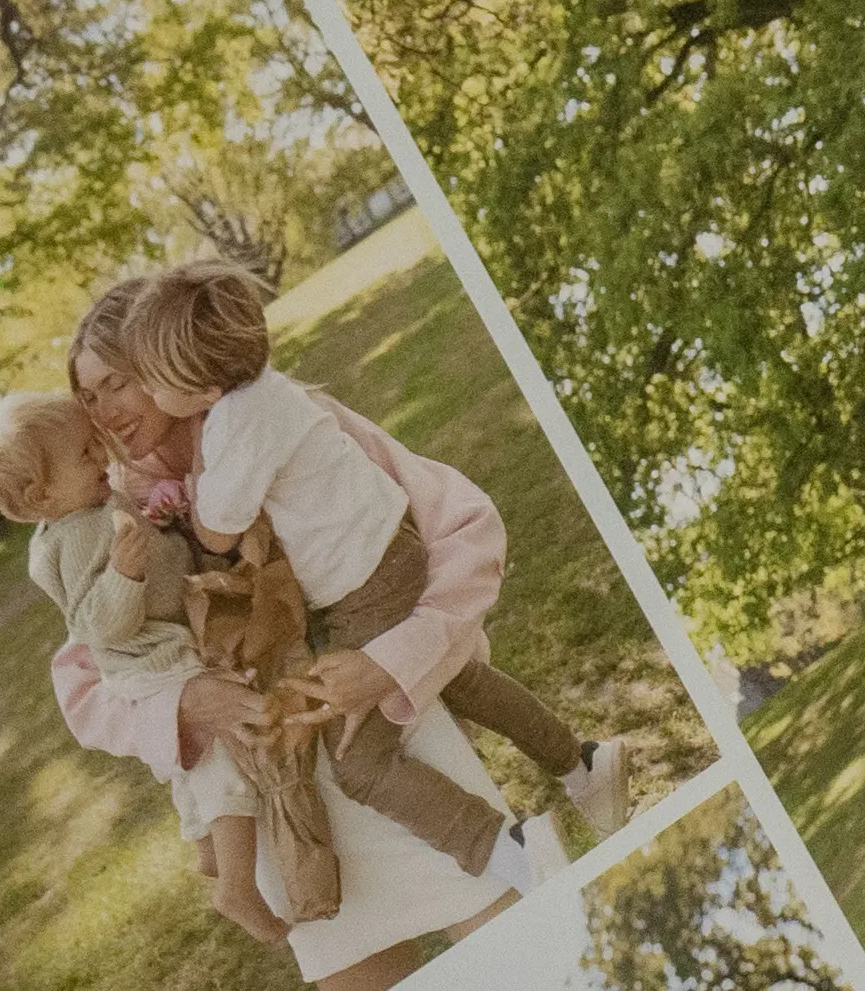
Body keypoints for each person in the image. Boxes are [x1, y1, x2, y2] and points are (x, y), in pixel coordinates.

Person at [56, 279, 546, 991]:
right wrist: (190, 701)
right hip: (284, 799)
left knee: (538, 970)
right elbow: (85, 685)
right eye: (87, 397)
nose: (104, 414)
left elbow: (467, 533)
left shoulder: (295, 420)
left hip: (395, 748)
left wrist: (389, 661)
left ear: (170, 362)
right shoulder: (115, 517)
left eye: (117, 383)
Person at [114, 257, 600, 920]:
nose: (141, 390)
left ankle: (505, 846)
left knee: (362, 765)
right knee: (457, 674)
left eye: (146, 377)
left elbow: (219, 530)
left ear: (192, 383)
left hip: (366, 584)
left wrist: (193, 470)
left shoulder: (234, 423)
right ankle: (580, 762)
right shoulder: (268, 392)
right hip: (387, 554)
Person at [0, 391, 274, 944]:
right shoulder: (84, 532)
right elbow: (97, 625)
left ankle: (205, 847)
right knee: (224, 753)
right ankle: (238, 887)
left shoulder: (78, 517)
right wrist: (124, 575)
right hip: (155, 658)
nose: (101, 459)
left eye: (95, 444)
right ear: (40, 495)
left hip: (150, 656)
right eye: (84, 454)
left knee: (191, 762)